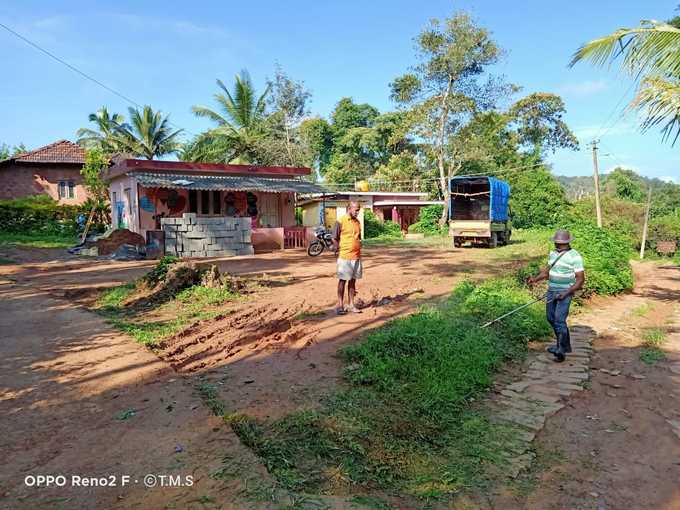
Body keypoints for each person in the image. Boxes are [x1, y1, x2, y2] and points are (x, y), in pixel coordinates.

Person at [528, 229, 585, 362]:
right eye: (556, 243)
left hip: (565, 292)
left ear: (566, 243)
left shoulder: (575, 256)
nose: (557, 245)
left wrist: (566, 293)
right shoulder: (553, 254)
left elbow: (580, 280)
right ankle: (564, 345)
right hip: (552, 290)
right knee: (550, 318)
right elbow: (547, 272)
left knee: (559, 320)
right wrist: (535, 279)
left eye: (559, 243)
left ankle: (560, 350)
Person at [332, 201, 363, 315]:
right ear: (349, 208)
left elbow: (358, 237)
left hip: (356, 256)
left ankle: (351, 304)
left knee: (353, 281)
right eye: (356, 209)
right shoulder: (341, 221)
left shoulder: (357, 222)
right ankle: (340, 305)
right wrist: (336, 248)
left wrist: (359, 245)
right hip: (345, 255)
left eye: (358, 210)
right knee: (342, 281)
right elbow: (334, 237)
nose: (357, 212)